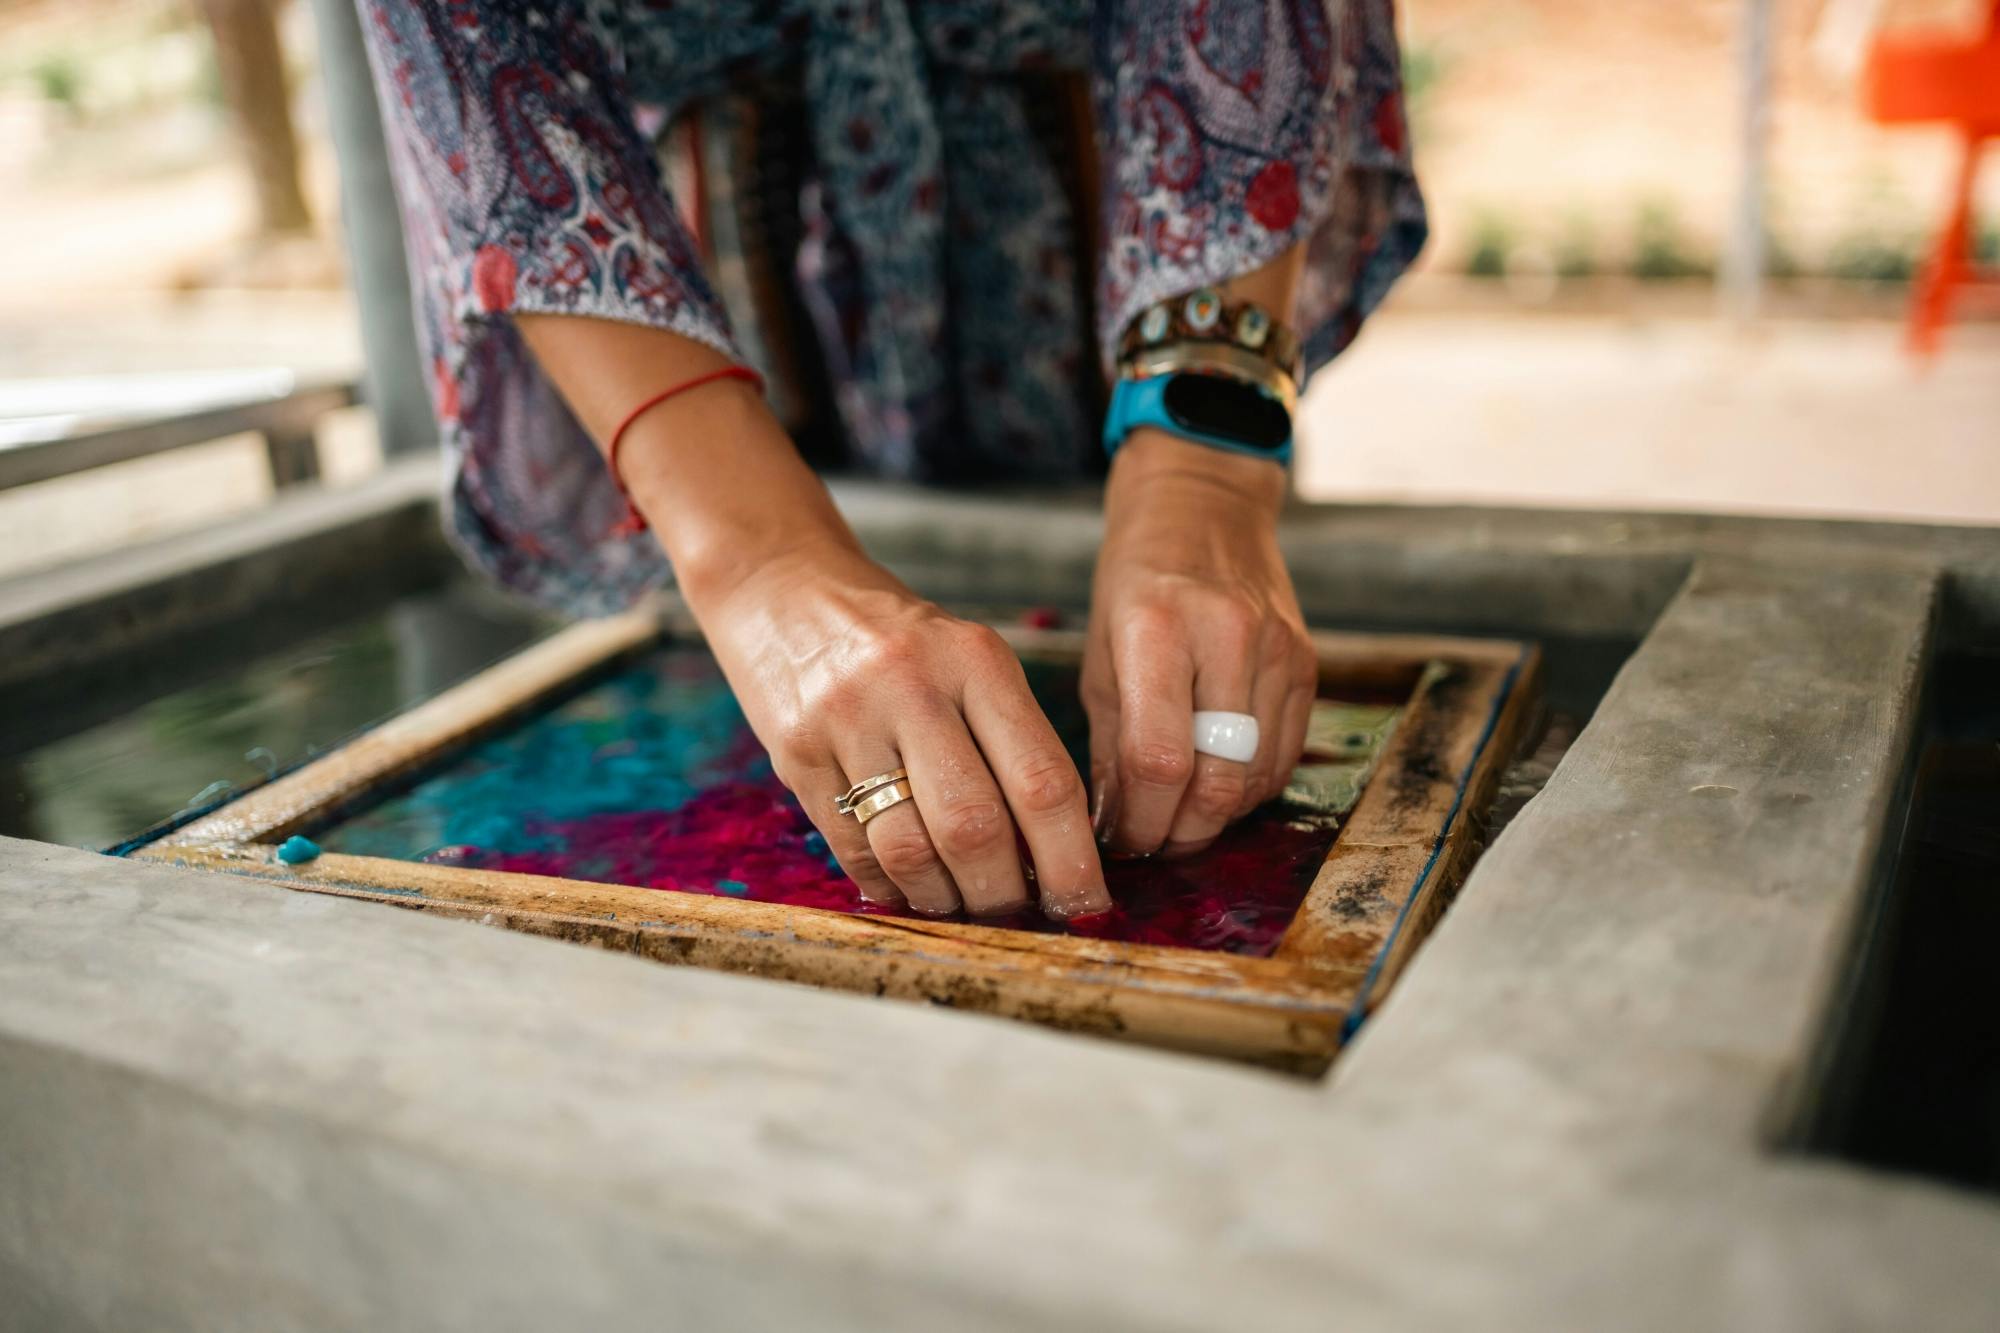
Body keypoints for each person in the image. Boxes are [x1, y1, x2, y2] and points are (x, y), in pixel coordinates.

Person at [357, 1, 1424, 923]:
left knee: (1204, 655)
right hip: (702, 272)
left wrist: (1206, 474)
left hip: (1134, 214)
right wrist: (756, 559)